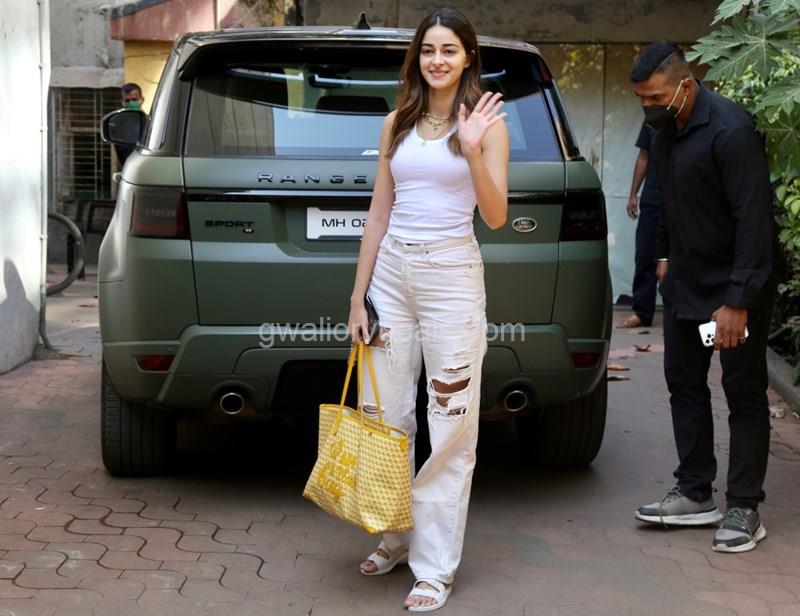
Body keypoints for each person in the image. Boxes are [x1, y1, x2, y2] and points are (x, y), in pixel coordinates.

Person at [346, 8, 508, 611]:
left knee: (450, 426)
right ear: (417, 57)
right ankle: (395, 536)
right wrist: (358, 295)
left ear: (468, 58)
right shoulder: (397, 122)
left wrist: (472, 150)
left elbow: (495, 216)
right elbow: (378, 213)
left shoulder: (487, 124)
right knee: (385, 417)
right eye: (429, 50)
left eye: (450, 50)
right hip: (391, 276)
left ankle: (434, 568)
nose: (438, 60)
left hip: (450, 280)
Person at [629, 42, 776, 553]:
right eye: (642, 99)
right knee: (685, 382)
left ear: (685, 86)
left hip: (731, 293)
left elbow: (753, 219)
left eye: (655, 97)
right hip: (686, 287)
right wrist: (663, 256)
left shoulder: (731, 131)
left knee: (741, 391)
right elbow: (666, 200)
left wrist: (737, 301)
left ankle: (744, 506)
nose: (648, 107)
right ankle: (695, 492)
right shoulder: (664, 130)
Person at [618, 122, 662, 329]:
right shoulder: (652, 119)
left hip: (683, 199)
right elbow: (644, 156)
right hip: (653, 197)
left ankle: (683, 314)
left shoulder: (689, 119)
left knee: (683, 258)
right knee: (645, 255)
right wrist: (633, 194)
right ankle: (642, 312)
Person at [115, 83, 145, 165]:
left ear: (142, 100)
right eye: (127, 100)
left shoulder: (150, 121)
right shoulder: (118, 123)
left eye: (134, 99)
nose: (131, 103)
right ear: (122, 102)